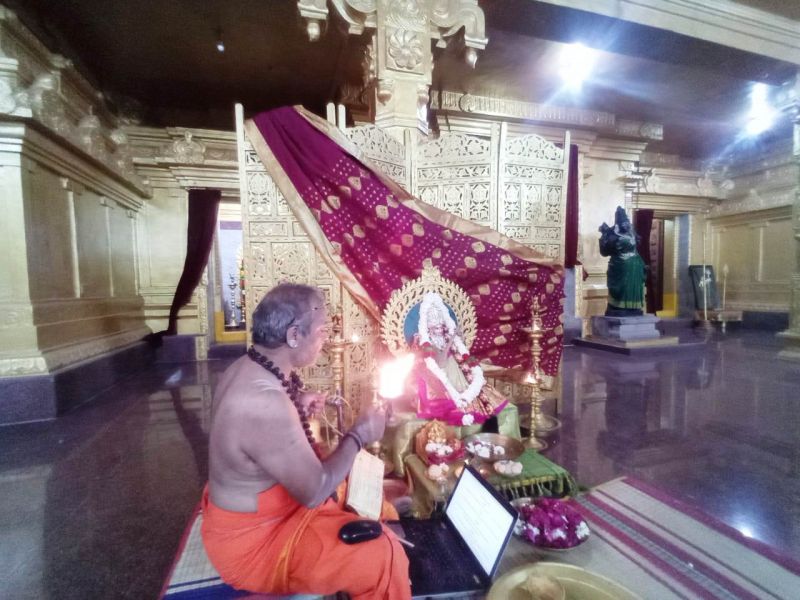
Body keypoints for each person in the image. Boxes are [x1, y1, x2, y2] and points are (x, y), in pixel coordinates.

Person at [202, 283, 411, 599]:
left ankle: (378, 512)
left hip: (259, 511)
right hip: (257, 543)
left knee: (350, 483)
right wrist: (359, 435)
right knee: (382, 553)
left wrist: (296, 403)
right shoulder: (263, 401)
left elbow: (257, 431)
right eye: (322, 330)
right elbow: (313, 492)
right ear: (293, 336)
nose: (325, 340)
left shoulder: (248, 367)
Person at [411, 292, 507, 426]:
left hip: (457, 366)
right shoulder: (424, 340)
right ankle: (459, 405)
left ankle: (467, 399)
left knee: (471, 377)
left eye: (439, 317)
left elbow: (465, 355)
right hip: (436, 375)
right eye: (432, 318)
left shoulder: (450, 336)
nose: (437, 322)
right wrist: (451, 339)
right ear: (426, 322)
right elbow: (439, 361)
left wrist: (474, 365)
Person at [598, 206, 646, 316]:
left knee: (632, 287)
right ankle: (618, 306)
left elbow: (637, 243)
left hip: (634, 265)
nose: (625, 224)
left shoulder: (631, 232)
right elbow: (605, 252)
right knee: (622, 286)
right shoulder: (613, 233)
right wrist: (605, 234)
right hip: (620, 265)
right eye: (623, 222)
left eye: (626, 221)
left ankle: (632, 308)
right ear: (618, 223)